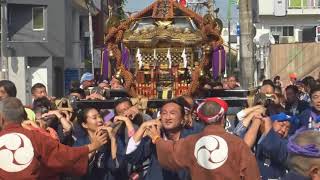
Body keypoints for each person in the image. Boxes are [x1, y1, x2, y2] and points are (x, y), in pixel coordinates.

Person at [146, 98, 260, 180]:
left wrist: (157, 139)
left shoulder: (190, 142)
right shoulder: (237, 144)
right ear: (223, 119)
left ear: (201, 118)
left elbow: (170, 154)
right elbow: (251, 175)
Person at [0, 97, 107, 179]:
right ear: (23, 116)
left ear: (1, 118)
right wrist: (92, 146)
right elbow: (65, 155)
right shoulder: (36, 137)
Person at [126, 100, 202, 180]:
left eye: (172, 113)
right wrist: (143, 127)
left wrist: (158, 140)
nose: (167, 117)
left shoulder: (192, 137)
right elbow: (133, 158)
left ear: (182, 119)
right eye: (164, 113)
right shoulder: (155, 135)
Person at [74, 107, 127, 180]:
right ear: (84, 124)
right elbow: (77, 169)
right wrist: (94, 146)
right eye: (94, 118)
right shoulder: (80, 143)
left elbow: (117, 167)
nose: (100, 120)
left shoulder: (114, 138)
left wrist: (113, 140)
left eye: (100, 116)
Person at [243, 104, 292, 180]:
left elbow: (273, 146)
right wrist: (257, 121)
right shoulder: (257, 135)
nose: (283, 130)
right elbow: (245, 147)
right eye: (281, 125)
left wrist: (269, 129)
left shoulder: (288, 143)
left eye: (287, 128)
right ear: (271, 122)